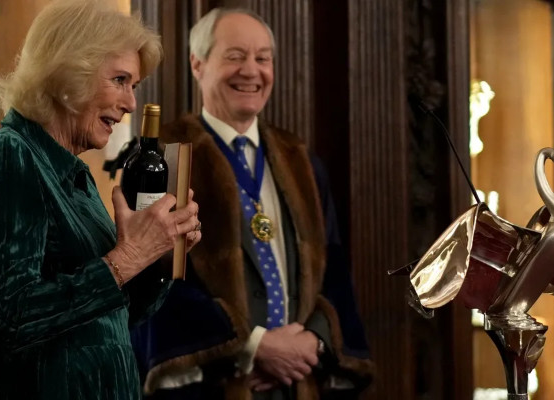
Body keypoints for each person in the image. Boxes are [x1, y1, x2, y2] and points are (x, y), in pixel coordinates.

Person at [0, 0, 201, 398]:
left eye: (133, 86)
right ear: (68, 76)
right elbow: (11, 318)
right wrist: (127, 257)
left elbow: (112, 317)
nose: (131, 103)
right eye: (119, 80)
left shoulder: (75, 175)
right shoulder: (7, 156)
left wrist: (158, 255)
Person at [131, 8, 373, 400]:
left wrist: (312, 341)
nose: (251, 70)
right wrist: (253, 346)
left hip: (297, 383)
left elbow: (334, 274)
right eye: (235, 56)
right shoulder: (164, 160)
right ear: (197, 64)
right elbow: (151, 281)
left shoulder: (301, 162)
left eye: (263, 58)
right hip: (210, 386)